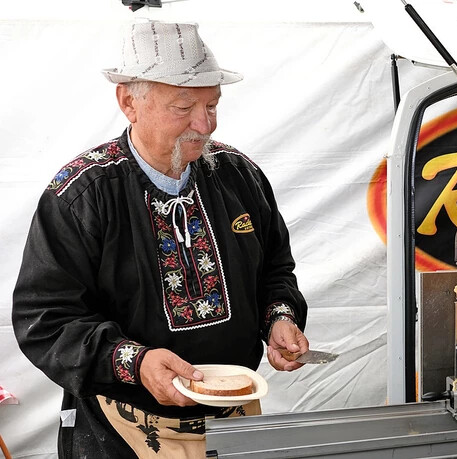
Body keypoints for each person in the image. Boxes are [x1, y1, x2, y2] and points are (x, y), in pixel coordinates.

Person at [12, 21, 309, 458]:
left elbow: (275, 270)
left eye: (212, 105)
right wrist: (136, 362)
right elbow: (46, 320)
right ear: (129, 102)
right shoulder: (82, 195)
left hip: (234, 419)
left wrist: (279, 318)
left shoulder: (239, 175)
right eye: (183, 107)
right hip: (123, 430)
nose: (204, 124)